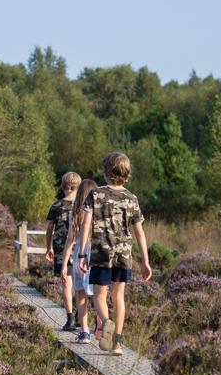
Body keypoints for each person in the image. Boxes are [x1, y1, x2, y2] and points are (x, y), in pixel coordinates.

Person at [78, 152, 152, 355]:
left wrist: (82, 254)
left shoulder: (96, 194)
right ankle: (117, 342)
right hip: (124, 254)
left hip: (101, 252)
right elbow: (140, 232)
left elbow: (86, 224)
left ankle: (107, 322)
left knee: (99, 295)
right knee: (119, 296)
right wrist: (145, 261)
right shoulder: (132, 198)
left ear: (106, 171)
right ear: (126, 173)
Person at [60, 178, 98, 344]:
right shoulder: (100, 210)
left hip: (79, 255)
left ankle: (84, 332)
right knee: (99, 293)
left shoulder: (75, 212)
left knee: (80, 294)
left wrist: (64, 263)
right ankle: (100, 324)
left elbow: (70, 240)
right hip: (97, 255)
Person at [45, 172, 81, 331]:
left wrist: (49, 248)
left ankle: (70, 319)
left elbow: (49, 229)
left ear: (63, 185)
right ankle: (81, 316)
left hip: (61, 249)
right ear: (78, 186)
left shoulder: (57, 206)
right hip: (80, 248)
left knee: (66, 283)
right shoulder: (83, 206)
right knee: (80, 284)